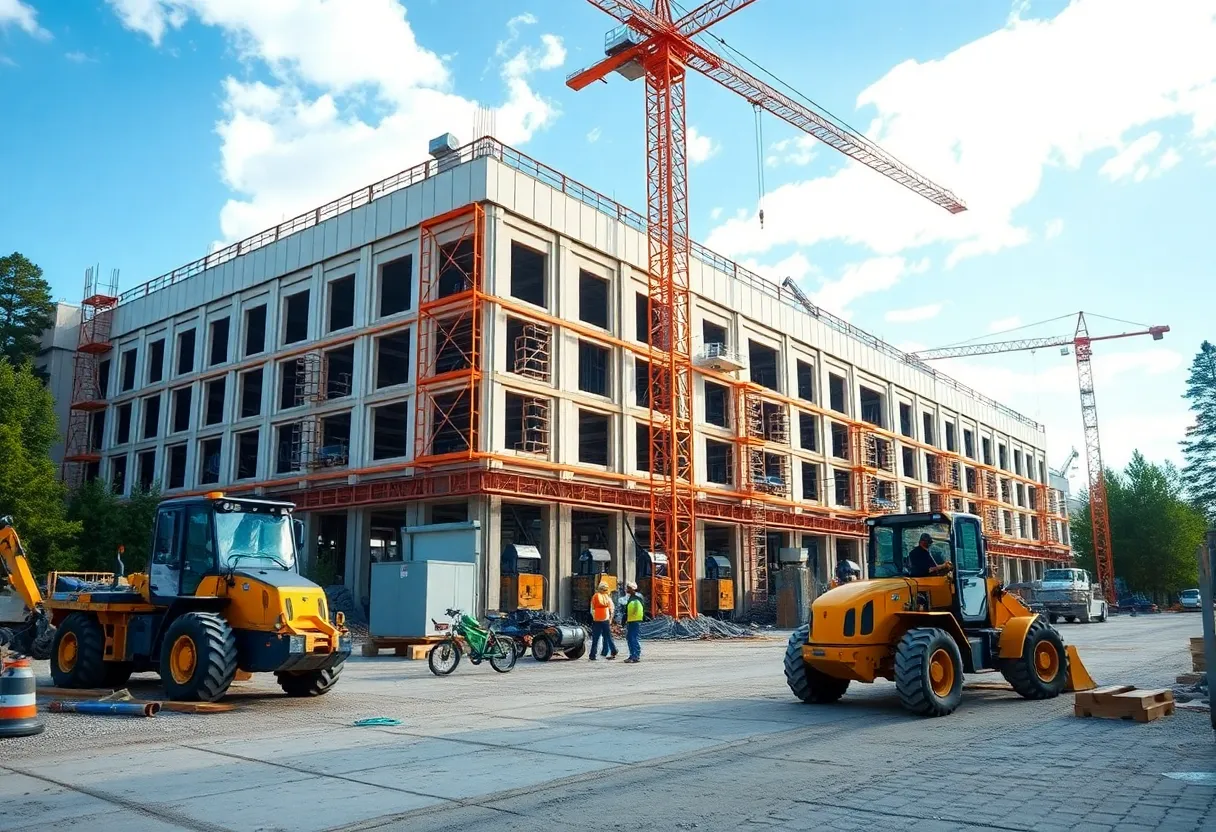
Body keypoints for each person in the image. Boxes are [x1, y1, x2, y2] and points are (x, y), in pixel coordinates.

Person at [589, 581, 618, 661]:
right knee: (608, 636)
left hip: (597, 620)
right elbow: (611, 609)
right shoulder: (607, 597)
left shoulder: (595, 596)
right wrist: (610, 618)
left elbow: (592, 609)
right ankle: (613, 650)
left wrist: (594, 617)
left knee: (595, 638)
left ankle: (592, 655)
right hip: (605, 619)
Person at [623, 582, 645, 663]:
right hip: (632, 620)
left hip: (635, 621)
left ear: (632, 589)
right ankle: (633, 655)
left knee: (633, 638)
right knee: (631, 638)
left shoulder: (636, 597)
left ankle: (635, 656)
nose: (627, 589)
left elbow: (636, 610)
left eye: (628, 588)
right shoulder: (632, 597)